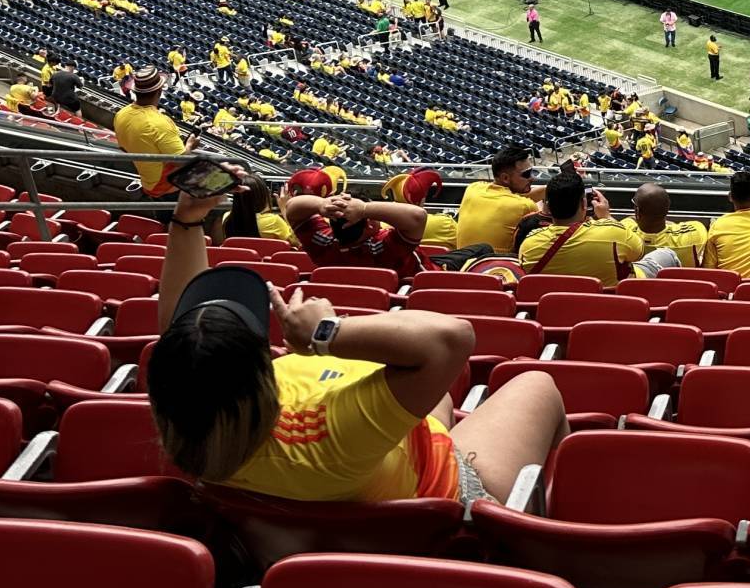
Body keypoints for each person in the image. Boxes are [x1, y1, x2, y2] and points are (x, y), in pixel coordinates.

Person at [147, 184, 564, 506]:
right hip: (440, 495)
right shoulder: (335, 428)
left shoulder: (190, 423)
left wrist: (188, 219)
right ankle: (541, 530)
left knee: (427, 383)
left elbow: (178, 339)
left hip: (361, 470)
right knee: (537, 384)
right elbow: (452, 339)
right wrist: (327, 332)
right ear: (260, 375)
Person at [284, 182, 429, 282]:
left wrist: (322, 204)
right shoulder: (383, 249)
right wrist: (364, 209)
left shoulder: (321, 243)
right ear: (369, 225)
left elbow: (291, 206)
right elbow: (418, 216)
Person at [514, 173, 643, 283]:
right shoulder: (614, 233)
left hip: (554, 308)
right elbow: (639, 253)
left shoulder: (528, 245)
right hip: (606, 307)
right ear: (584, 203)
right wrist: (606, 216)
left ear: (547, 207)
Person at [113, 64, 188, 193]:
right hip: (162, 185)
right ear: (159, 91)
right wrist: (191, 145)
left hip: (145, 180)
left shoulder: (121, 114)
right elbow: (181, 163)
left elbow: (123, 148)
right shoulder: (160, 123)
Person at [456, 144, 541, 254]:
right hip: (498, 267)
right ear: (505, 178)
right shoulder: (525, 206)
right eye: (526, 174)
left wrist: (545, 190)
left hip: (464, 265)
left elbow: (509, 198)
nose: (532, 178)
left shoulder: (473, 188)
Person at [628, 182, 710, 272]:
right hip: (682, 285)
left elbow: (621, 223)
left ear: (637, 211)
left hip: (640, 285)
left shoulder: (626, 234)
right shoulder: (694, 232)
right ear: (668, 207)